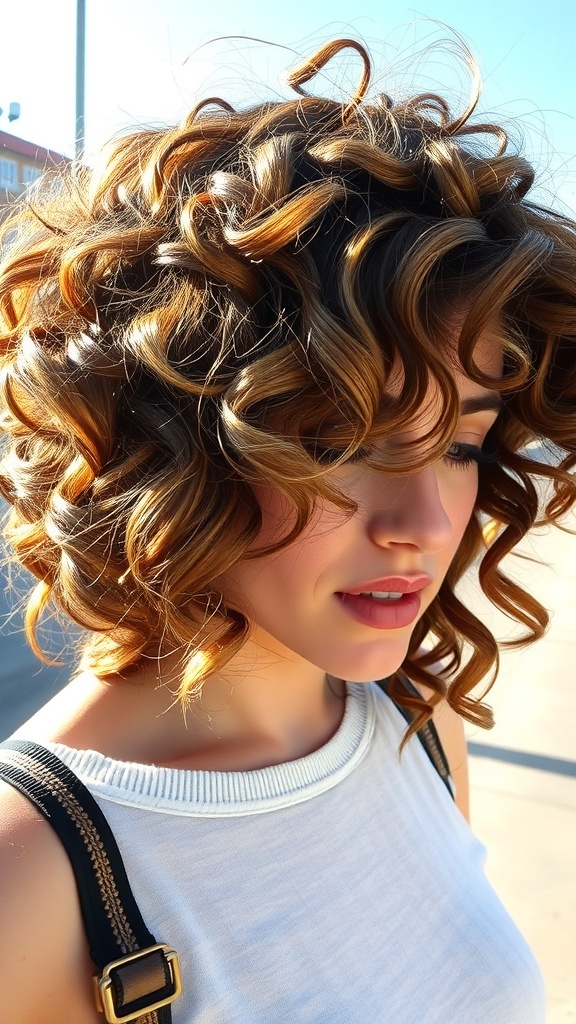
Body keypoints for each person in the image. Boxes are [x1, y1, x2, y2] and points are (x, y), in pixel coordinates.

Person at [0, 35, 575, 1024]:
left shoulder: (416, 724)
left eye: (461, 447)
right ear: (173, 438)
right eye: (350, 441)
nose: (426, 527)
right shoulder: (39, 875)